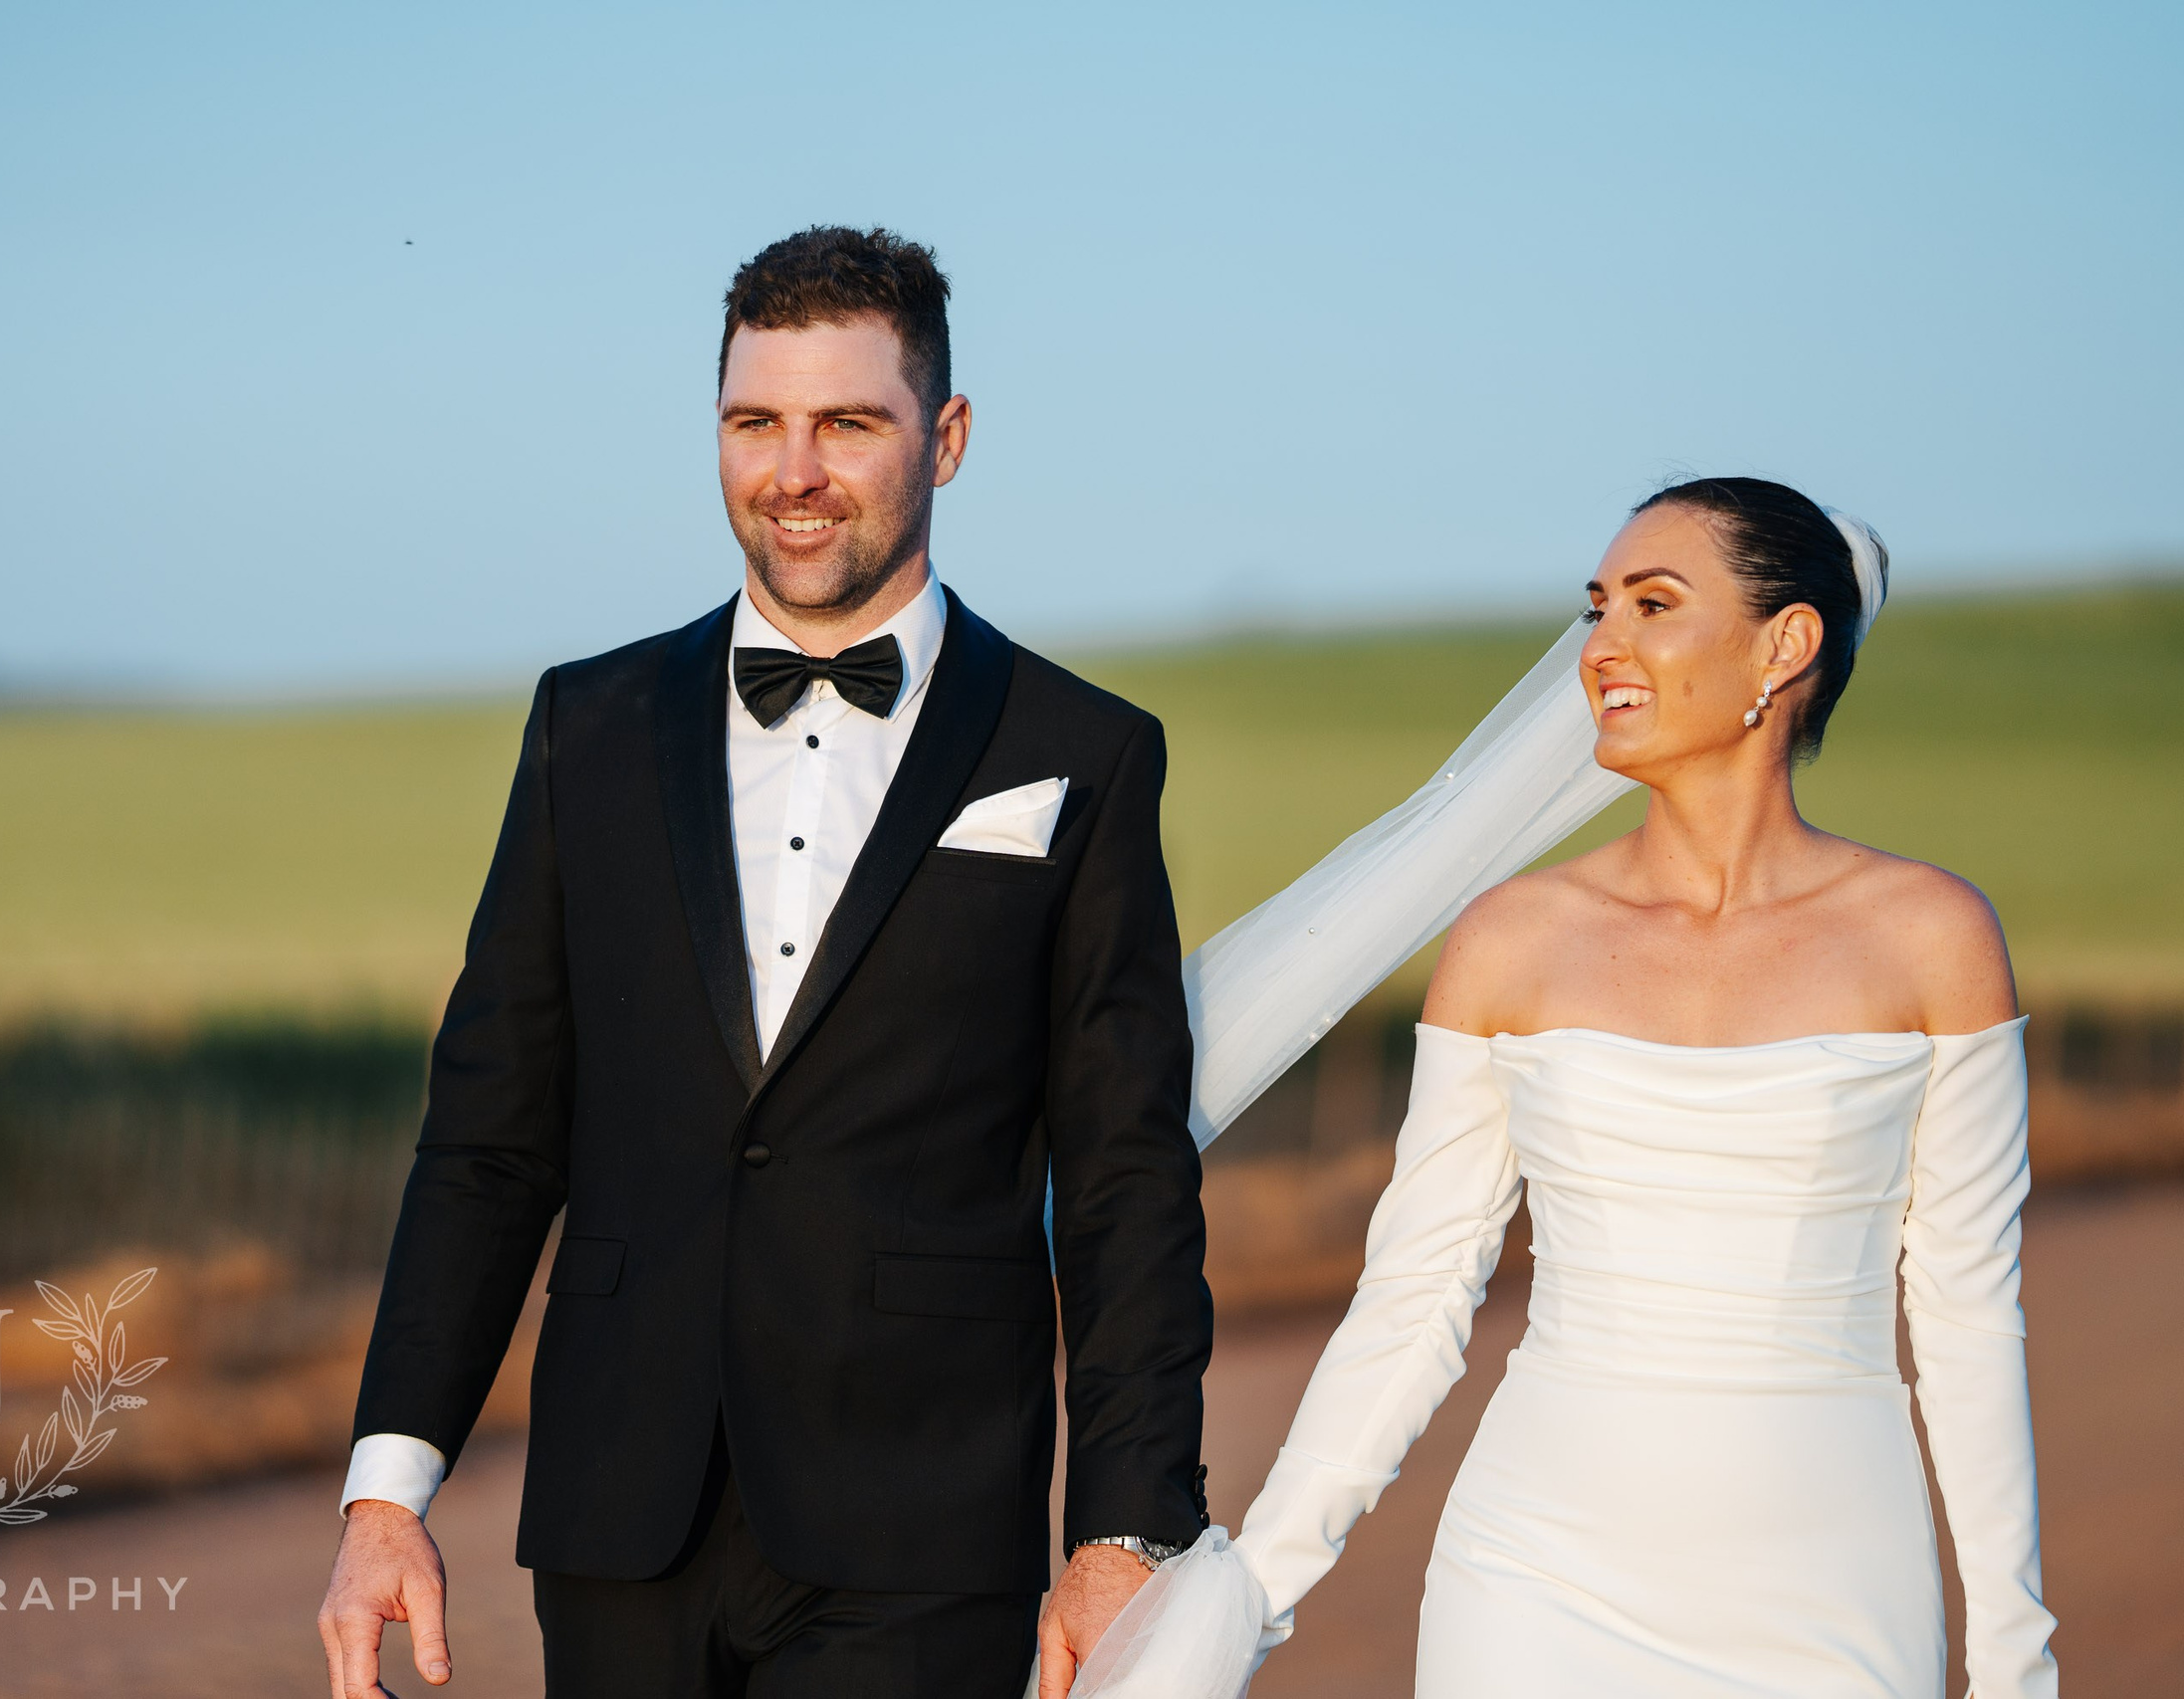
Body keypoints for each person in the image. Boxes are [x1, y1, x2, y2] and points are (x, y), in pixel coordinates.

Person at [316, 226, 1211, 1699]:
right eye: (755, 423)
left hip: (922, 1524)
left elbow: (1123, 1174)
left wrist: (1123, 1528)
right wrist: (384, 1493)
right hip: (618, 1512)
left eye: (848, 422)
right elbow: (487, 1136)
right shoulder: (585, 727)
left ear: (949, 435)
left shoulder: (1081, 754)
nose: (793, 470)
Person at [1205, 478, 2057, 1696]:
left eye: (1652, 604)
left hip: (1832, 1578)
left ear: (1787, 642)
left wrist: (2017, 1659)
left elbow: (1969, 1316)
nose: (1600, 645)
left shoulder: (1930, 938)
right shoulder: (1511, 940)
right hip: (1534, 1576)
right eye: (1597, 606)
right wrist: (1251, 1593)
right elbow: (1416, 1296)